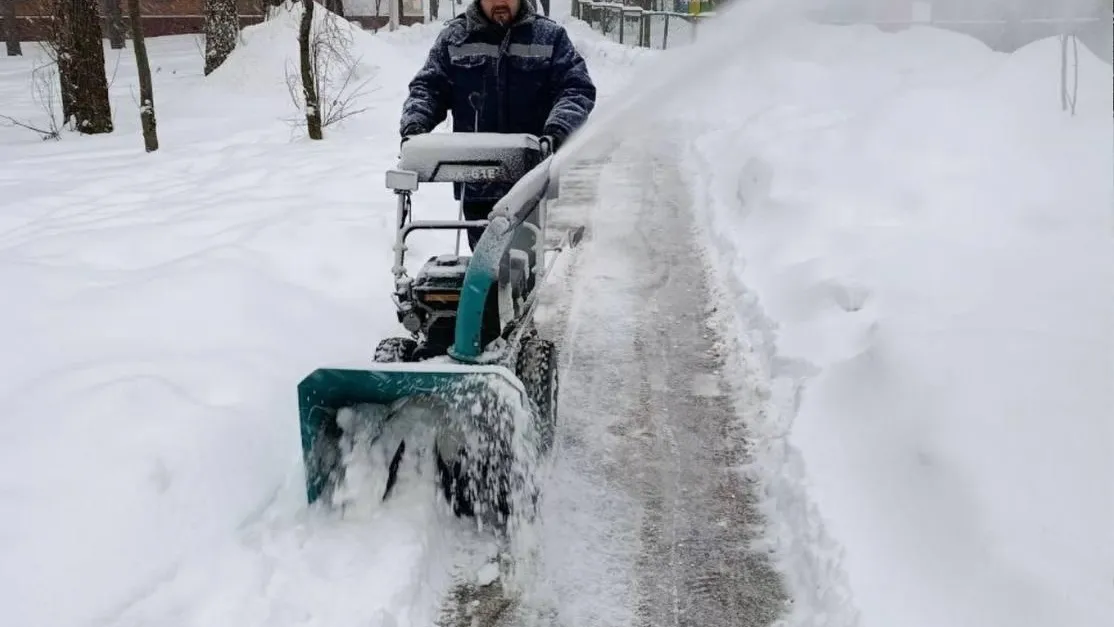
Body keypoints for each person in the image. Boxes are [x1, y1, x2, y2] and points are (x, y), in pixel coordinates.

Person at [399, 0, 597, 250]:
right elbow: (427, 89)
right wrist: (414, 126)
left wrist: (556, 132)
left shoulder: (549, 37)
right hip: (475, 181)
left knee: (521, 267)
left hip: (530, 181)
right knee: (483, 268)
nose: (501, 1)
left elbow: (576, 88)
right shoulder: (455, 38)